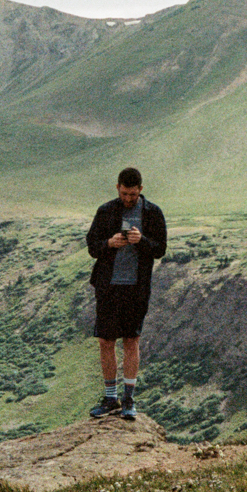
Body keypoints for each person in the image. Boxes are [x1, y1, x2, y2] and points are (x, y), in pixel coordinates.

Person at [84, 167, 167, 420]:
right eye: (124, 193)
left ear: (141, 189)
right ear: (117, 188)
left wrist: (141, 240)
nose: (128, 199)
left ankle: (129, 399)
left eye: (132, 194)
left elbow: (160, 249)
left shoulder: (153, 213)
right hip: (108, 287)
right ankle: (111, 398)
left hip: (136, 288)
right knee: (106, 341)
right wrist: (109, 243)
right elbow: (92, 246)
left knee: (131, 341)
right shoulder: (106, 211)